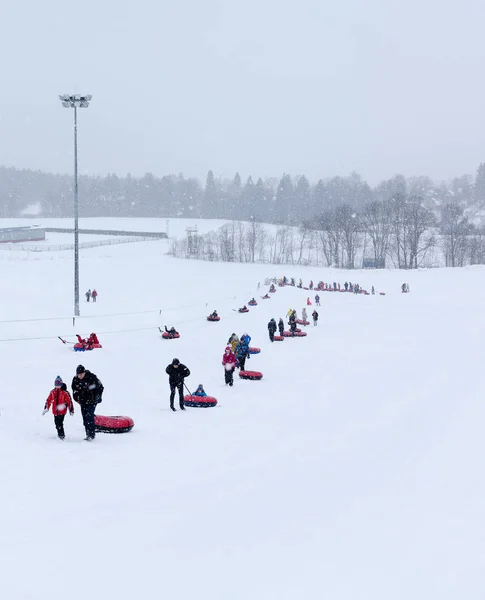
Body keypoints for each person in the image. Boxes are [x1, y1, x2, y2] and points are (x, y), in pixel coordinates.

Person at [71, 365, 103, 441]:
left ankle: (91, 435)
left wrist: (97, 396)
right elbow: (74, 390)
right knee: (85, 418)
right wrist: (77, 399)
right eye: (78, 375)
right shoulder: (75, 380)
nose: (80, 376)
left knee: (89, 416)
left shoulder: (92, 377)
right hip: (83, 401)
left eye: (81, 374)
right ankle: (88, 434)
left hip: (92, 401)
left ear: (84, 372)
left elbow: (100, 386)